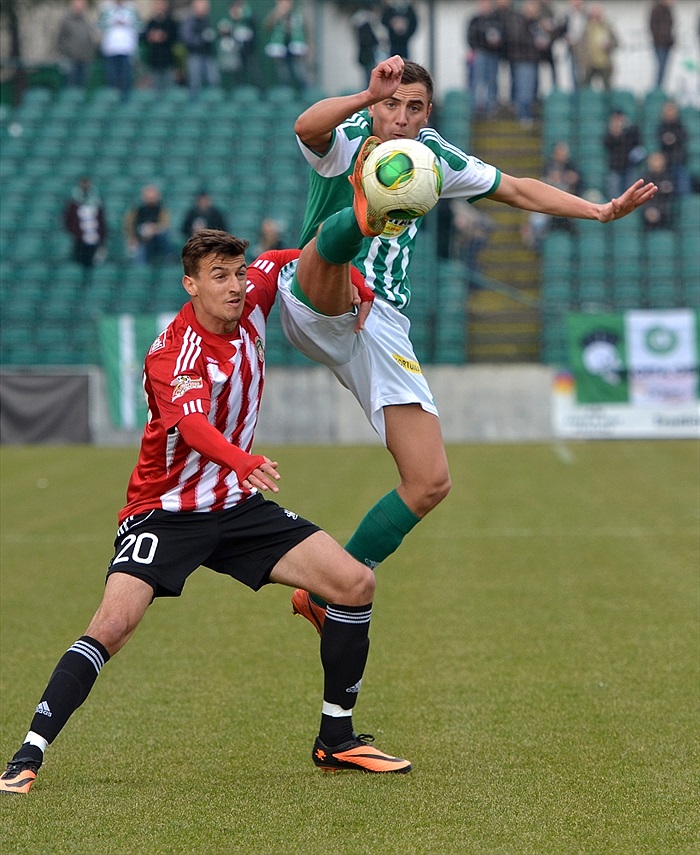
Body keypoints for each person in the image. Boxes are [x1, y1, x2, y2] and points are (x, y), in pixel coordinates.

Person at [0, 224, 412, 795]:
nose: (236, 285)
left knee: (355, 583)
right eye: (219, 276)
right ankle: (26, 756)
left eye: (237, 273)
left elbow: (290, 256)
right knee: (113, 625)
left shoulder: (255, 294)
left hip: (236, 506)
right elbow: (192, 426)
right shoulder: (173, 351)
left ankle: (336, 740)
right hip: (164, 510)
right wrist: (239, 460)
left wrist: (356, 275)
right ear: (191, 284)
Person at [287, 55, 657, 633]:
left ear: (427, 112)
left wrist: (599, 211)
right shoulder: (349, 137)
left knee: (430, 481)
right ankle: (343, 240)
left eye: (414, 108)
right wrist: (365, 97)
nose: (401, 118)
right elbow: (306, 127)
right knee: (330, 255)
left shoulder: (432, 154)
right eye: (392, 104)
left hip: (379, 326)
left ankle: (331, 583)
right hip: (319, 294)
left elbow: (513, 188)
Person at [521, 141, 581, 250]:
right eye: (560, 152)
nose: (563, 155)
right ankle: (536, 246)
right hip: (548, 202)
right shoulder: (548, 166)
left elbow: (577, 184)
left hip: (566, 202)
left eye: (564, 153)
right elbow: (541, 186)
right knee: (536, 221)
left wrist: (569, 179)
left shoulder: (571, 166)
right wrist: (551, 180)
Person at [466, 0, 503, 119]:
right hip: (480, 53)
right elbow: (470, 36)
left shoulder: (497, 20)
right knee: (477, 80)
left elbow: (503, 36)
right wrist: (475, 48)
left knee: (492, 81)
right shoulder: (475, 20)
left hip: (493, 54)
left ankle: (490, 107)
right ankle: (475, 108)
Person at [98, 0, 141, 102]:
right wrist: (112, 22)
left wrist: (127, 22)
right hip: (111, 49)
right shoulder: (105, 9)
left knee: (126, 78)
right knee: (111, 77)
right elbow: (100, 25)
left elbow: (139, 26)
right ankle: (111, 101)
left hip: (126, 48)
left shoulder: (132, 9)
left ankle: (125, 101)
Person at [263, 0, 310, 92]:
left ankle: (305, 91)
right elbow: (267, 27)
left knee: (298, 70)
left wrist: (310, 45)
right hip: (281, 47)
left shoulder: (298, 14)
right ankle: (285, 92)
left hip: (295, 48)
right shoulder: (275, 15)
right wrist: (276, 15)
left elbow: (306, 30)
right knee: (283, 73)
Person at [63, 176, 108, 268]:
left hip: (95, 239)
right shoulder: (73, 203)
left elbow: (101, 221)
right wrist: (76, 232)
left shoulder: (96, 201)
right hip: (80, 240)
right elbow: (68, 221)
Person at [123, 184, 173, 265]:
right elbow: (129, 225)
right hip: (141, 240)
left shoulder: (162, 210)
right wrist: (133, 238)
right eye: (148, 197)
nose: (151, 200)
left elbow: (165, 225)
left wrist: (153, 230)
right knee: (139, 254)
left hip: (158, 240)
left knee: (164, 236)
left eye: (153, 197)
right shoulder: (136, 211)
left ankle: (168, 260)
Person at [217, 0, 261, 90]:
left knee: (255, 76)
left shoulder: (248, 17)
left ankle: (261, 95)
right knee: (238, 78)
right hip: (236, 54)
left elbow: (254, 21)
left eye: (238, 7)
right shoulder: (229, 21)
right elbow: (223, 31)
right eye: (234, 7)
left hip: (249, 52)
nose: (236, 10)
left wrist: (244, 16)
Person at [180, 0, 220, 95]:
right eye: (201, 8)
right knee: (195, 83)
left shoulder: (209, 20)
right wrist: (201, 38)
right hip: (195, 55)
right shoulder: (189, 21)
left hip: (209, 55)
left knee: (214, 81)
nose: (204, 11)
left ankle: (213, 103)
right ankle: (195, 106)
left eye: (205, 8)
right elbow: (186, 37)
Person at [56, 0, 99, 89]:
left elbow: (91, 37)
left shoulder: (86, 21)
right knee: (71, 86)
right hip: (71, 59)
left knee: (83, 86)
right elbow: (60, 40)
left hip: (85, 59)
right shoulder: (66, 21)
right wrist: (68, 51)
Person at [604, 110, 645, 199]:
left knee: (632, 194)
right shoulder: (609, 132)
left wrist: (623, 133)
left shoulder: (631, 130)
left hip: (629, 167)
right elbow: (607, 144)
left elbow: (638, 145)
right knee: (614, 196)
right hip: (615, 167)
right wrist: (615, 134)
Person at [141, 0, 180, 92]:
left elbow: (175, 37)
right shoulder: (150, 22)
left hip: (167, 59)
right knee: (155, 89)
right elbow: (144, 36)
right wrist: (151, 36)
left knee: (169, 88)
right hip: (154, 60)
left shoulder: (170, 21)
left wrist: (163, 36)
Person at [580, 2, 617, 90]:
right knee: (585, 87)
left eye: (599, 14)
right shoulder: (586, 28)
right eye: (595, 14)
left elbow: (616, 42)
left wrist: (609, 45)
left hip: (604, 63)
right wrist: (582, 59)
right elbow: (580, 45)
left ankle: (607, 103)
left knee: (607, 88)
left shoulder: (607, 27)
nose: (597, 16)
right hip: (590, 63)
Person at [657, 99, 691, 195]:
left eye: (672, 110)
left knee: (683, 188)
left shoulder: (680, 125)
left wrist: (673, 139)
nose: (670, 113)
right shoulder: (661, 126)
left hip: (679, 161)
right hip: (665, 164)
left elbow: (683, 138)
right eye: (668, 111)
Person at [352, 3, 388, 88]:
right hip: (368, 56)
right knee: (368, 79)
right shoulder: (365, 26)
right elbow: (368, 41)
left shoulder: (375, 25)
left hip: (372, 56)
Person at [642, 151, 676, 230]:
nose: (656, 163)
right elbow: (644, 194)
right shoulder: (646, 177)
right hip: (649, 207)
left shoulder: (668, 175)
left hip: (664, 207)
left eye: (658, 160)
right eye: (654, 161)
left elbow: (670, 192)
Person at [562, 0, 588, 89]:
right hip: (572, 48)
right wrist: (566, 38)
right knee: (573, 74)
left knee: (584, 73)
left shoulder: (586, 15)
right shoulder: (566, 16)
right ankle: (576, 94)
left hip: (584, 50)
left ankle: (584, 93)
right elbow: (562, 30)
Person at [649, 0, 675, 90]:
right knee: (661, 67)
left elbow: (671, 26)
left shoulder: (669, 10)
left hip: (667, 44)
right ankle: (657, 89)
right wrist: (660, 38)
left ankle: (661, 88)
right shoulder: (656, 10)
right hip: (659, 44)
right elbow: (653, 27)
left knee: (664, 68)